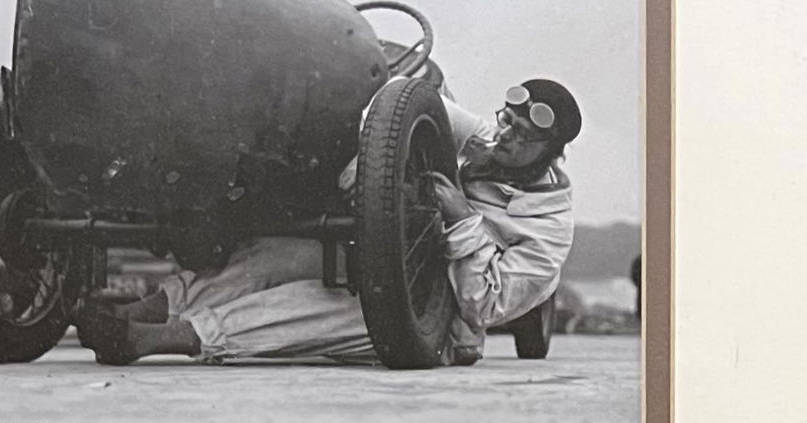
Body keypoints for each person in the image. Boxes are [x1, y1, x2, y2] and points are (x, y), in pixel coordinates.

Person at [75, 78, 580, 366]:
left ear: (552, 154)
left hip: (438, 321)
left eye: (522, 137)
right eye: (507, 121)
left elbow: (485, 304)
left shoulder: (549, 230)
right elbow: (401, 98)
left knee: (312, 310)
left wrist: (463, 219)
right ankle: (143, 310)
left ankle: (160, 339)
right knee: (270, 257)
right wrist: (375, 162)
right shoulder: (488, 139)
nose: (505, 137)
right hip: (386, 258)